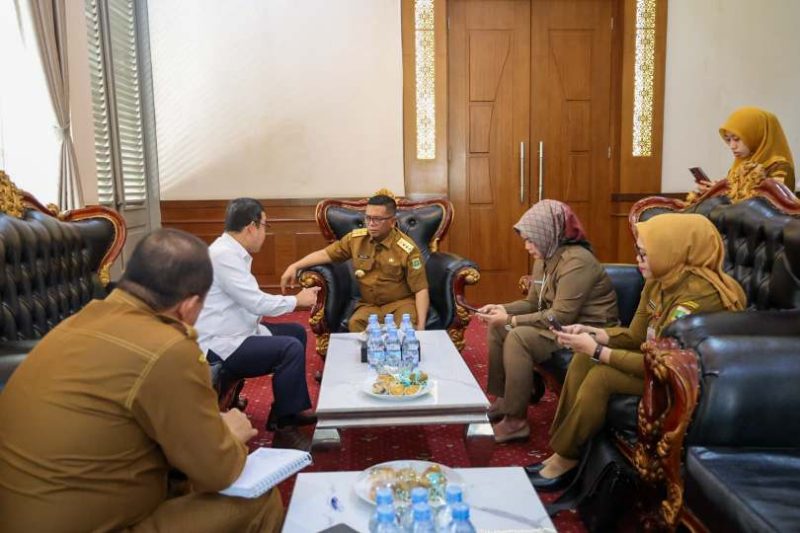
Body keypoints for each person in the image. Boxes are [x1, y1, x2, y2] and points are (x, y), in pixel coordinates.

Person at [0, 229, 284, 532]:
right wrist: (231, 434)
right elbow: (219, 473)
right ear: (188, 306)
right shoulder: (168, 347)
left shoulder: (79, 321)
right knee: (259, 498)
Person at [526, 214, 746, 491]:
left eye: (645, 254)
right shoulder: (661, 278)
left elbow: (663, 362)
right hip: (656, 363)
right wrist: (594, 334)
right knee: (583, 358)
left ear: (673, 251)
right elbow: (636, 336)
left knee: (601, 377)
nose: (639, 260)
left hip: (683, 380)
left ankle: (566, 458)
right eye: (638, 253)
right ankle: (562, 451)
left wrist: (599, 351)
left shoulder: (699, 297)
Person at [475, 200, 619, 443]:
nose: (527, 246)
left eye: (531, 240)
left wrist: (511, 319)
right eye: (525, 240)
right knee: (499, 326)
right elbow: (534, 302)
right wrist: (501, 309)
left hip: (585, 331)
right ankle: (503, 401)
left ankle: (515, 422)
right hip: (559, 327)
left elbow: (561, 315)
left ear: (549, 234)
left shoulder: (577, 262)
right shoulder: (545, 256)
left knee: (519, 336)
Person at [196, 198, 319, 439]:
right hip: (221, 345)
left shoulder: (231, 251)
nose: (265, 232)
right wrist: (297, 301)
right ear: (251, 227)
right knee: (289, 347)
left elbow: (252, 302)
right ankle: (285, 427)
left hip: (239, 332)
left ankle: (286, 409)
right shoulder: (223, 256)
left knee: (294, 332)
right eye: (265, 226)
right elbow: (256, 302)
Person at [280, 193, 429, 331]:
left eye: (377, 219)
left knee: (406, 330)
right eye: (368, 218)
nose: (371, 224)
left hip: (400, 304)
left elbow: (421, 289)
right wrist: (295, 265)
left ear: (392, 222)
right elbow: (325, 254)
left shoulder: (407, 249)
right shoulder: (356, 240)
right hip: (369, 305)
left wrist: (421, 327)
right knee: (355, 324)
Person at [690, 106, 795, 202]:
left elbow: (768, 207)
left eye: (737, 139)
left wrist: (723, 192)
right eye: (728, 140)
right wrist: (711, 192)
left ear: (757, 136)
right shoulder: (740, 166)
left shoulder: (780, 168)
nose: (732, 146)